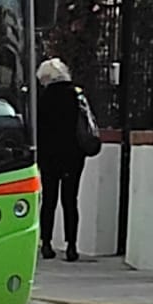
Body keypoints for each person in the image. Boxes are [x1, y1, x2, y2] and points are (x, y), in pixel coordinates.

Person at [34, 56, 94, 261]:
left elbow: (37, 130)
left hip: (49, 156)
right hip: (73, 155)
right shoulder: (77, 95)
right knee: (70, 200)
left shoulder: (42, 98)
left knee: (49, 200)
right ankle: (71, 246)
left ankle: (47, 244)